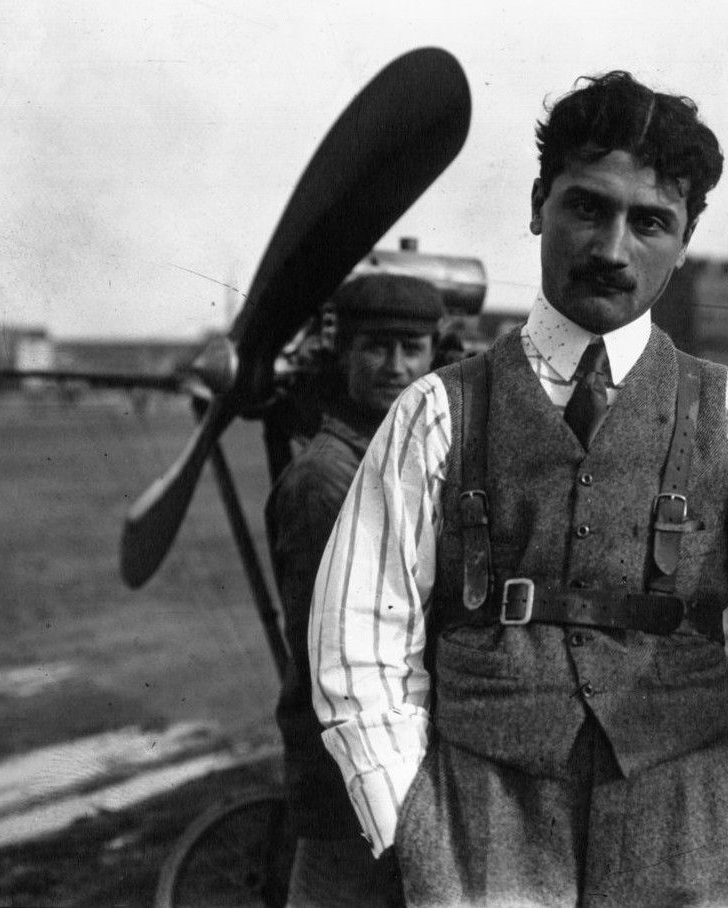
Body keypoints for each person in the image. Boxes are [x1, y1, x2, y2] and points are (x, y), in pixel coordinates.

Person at [309, 71, 728, 907]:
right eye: (585, 208)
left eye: (649, 222)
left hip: (688, 825)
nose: (610, 250)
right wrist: (409, 820)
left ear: (684, 238)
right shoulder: (436, 412)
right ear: (538, 204)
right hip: (479, 828)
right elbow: (358, 637)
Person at [265, 273, 443, 908]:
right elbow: (338, 657)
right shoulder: (326, 481)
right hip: (351, 772)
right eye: (376, 347)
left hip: (397, 762)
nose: (395, 367)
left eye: (412, 348)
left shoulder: (397, 460)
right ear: (343, 353)